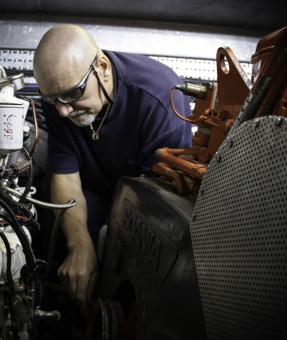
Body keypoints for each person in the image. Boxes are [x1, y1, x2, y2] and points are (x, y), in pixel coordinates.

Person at [33, 24, 192, 314]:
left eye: (73, 94)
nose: (63, 111)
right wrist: (78, 245)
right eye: (53, 100)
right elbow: (65, 177)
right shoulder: (60, 96)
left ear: (102, 67)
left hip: (147, 197)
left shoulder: (160, 99)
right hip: (89, 186)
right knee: (65, 253)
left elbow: (154, 208)